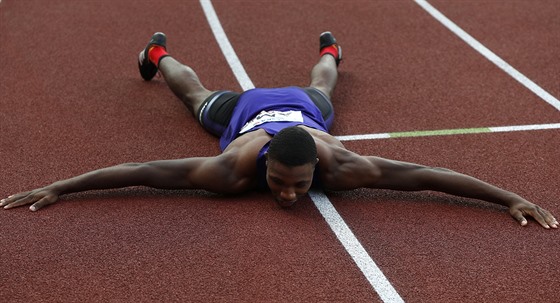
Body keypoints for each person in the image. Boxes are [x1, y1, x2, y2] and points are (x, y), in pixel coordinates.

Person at [1, 32, 557, 230]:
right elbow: (143, 174)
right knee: (193, 94)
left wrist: (510, 198)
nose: (289, 194)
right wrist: (62, 186)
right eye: (281, 183)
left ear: (318, 167)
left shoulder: (342, 166)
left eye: (296, 184)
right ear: (264, 164)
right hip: (247, 111)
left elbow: (427, 176)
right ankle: (155, 52)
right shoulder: (230, 170)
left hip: (299, 108)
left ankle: (331, 50)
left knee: (324, 84)